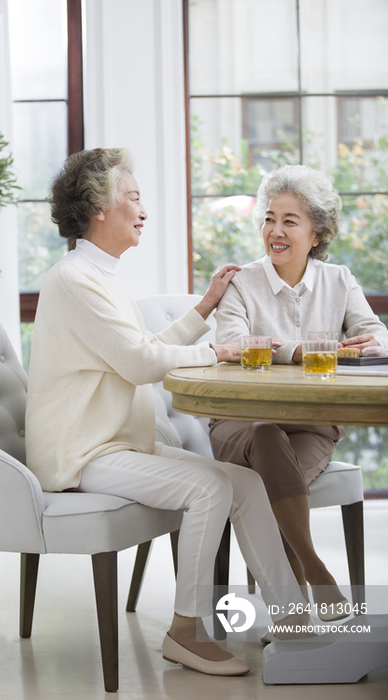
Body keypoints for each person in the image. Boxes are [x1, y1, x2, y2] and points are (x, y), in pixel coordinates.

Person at [25, 148, 313, 678]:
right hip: (82, 453)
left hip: (117, 443)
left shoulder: (101, 275)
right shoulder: (73, 280)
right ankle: (186, 630)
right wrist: (219, 350)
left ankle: (295, 622)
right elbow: (139, 363)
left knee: (243, 482)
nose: (143, 209)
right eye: (133, 198)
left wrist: (205, 308)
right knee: (209, 488)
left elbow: (142, 347)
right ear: (98, 209)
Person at [210, 164, 388, 619]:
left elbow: (375, 334)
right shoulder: (240, 285)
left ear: (316, 234)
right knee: (267, 434)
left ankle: (293, 619)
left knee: (274, 467)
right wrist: (303, 351)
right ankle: (318, 573)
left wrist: (373, 340)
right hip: (240, 422)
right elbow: (235, 349)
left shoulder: (339, 280)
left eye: (290, 221)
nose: (276, 231)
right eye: (270, 218)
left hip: (312, 425)